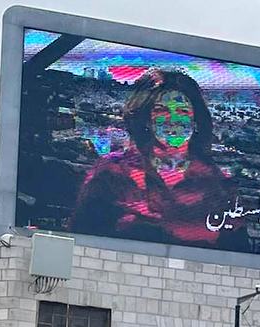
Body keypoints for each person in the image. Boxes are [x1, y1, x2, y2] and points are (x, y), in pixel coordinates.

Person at [70, 69, 243, 248]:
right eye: (161, 110)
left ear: (196, 121)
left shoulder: (219, 186)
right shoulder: (112, 172)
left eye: (182, 111)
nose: (173, 120)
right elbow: (78, 239)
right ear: (145, 119)